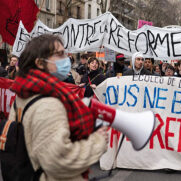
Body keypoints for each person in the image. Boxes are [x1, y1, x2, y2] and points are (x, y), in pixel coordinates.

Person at [7, 34, 108, 180]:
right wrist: (98, 141)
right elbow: (61, 161)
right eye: (60, 55)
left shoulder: (24, 93)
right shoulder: (48, 104)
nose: (66, 59)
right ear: (40, 63)